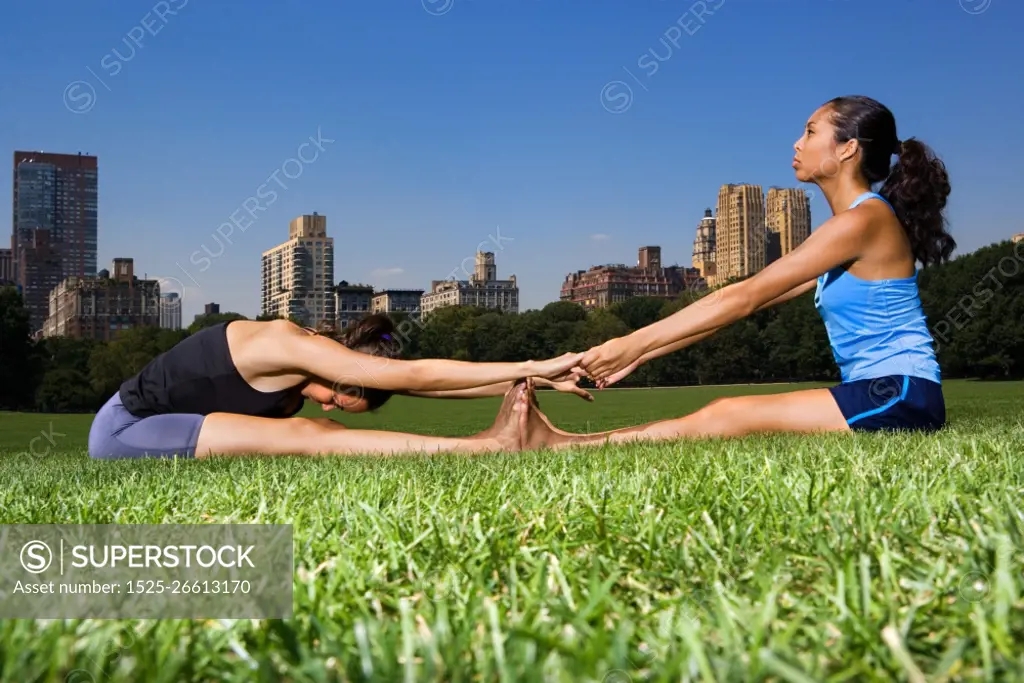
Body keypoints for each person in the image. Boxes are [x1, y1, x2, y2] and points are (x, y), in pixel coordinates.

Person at [537, 95, 955, 448]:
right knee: (727, 411)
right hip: (877, 390)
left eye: (810, 132)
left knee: (728, 413)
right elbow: (746, 306)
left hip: (900, 392)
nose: (797, 143)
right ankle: (569, 442)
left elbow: (741, 297)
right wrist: (642, 354)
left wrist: (630, 342)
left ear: (847, 149)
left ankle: (568, 445)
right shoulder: (847, 231)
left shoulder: (863, 221)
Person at [88, 314, 587, 460]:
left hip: (172, 425)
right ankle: (485, 449)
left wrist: (521, 382)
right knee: (313, 435)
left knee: (316, 428)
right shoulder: (287, 344)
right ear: (340, 370)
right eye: (340, 394)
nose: (333, 404)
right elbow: (414, 375)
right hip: (125, 429)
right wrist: (539, 364)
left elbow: (424, 389)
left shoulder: (313, 372)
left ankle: (487, 444)